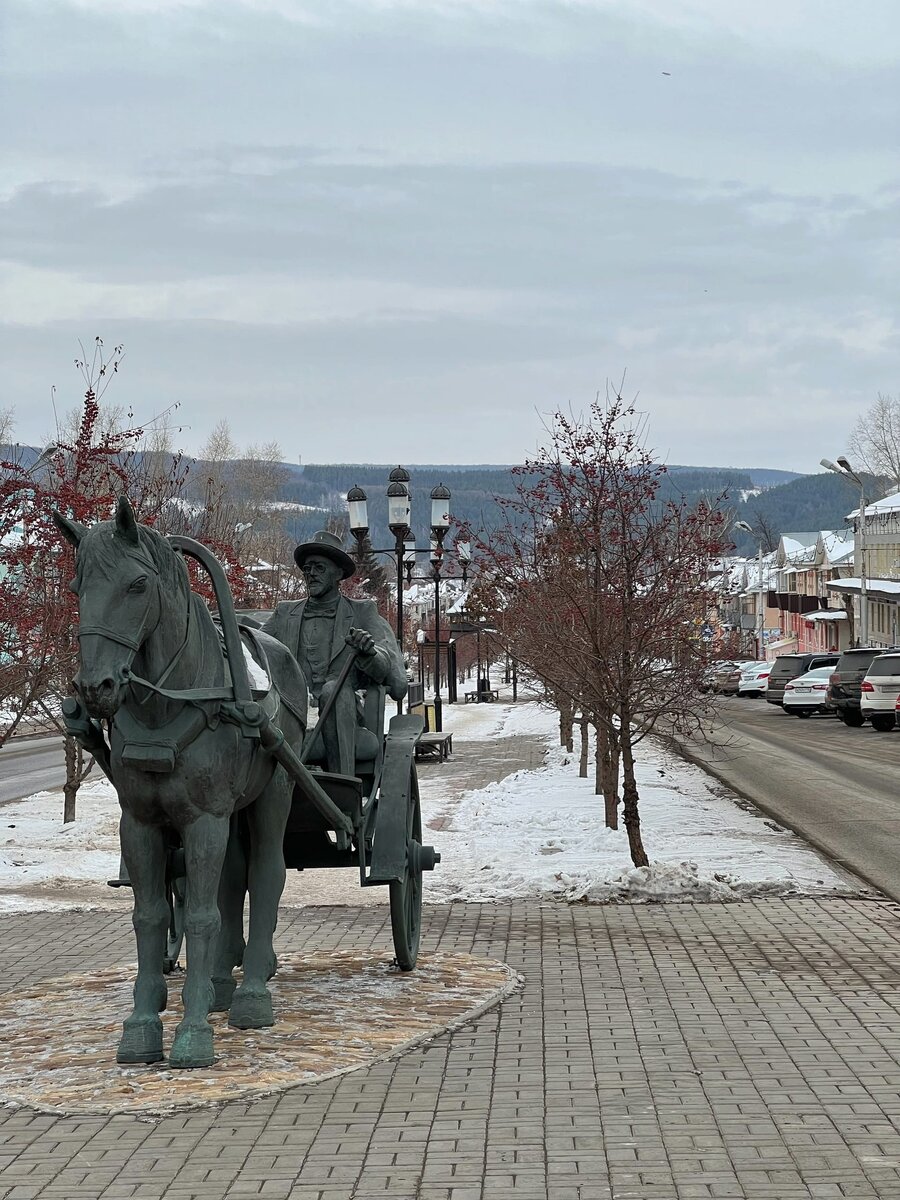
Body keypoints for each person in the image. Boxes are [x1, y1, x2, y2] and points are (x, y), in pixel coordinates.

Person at [262, 530, 407, 775]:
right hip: (290, 714)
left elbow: (394, 680)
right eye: (307, 569)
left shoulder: (363, 613)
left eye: (319, 568)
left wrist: (369, 653)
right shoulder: (285, 614)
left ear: (339, 573)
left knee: (333, 690)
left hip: (342, 712)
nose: (311, 575)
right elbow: (254, 648)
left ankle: (343, 784)